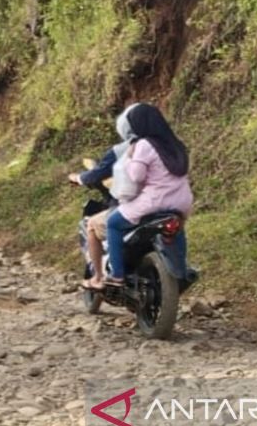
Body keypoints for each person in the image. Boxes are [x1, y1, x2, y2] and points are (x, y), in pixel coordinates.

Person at [104, 103, 192, 286]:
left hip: (156, 200)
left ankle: (117, 274)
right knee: (177, 230)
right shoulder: (175, 143)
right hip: (182, 200)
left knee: (112, 223)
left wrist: (130, 157)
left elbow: (137, 175)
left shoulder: (144, 145)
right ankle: (182, 270)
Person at [70, 103, 140, 290]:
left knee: (94, 224)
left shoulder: (123, 150)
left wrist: (78, 178)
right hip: (170, 204)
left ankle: (101, 277)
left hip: (135, 205)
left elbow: (97, 173)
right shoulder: (166, 146)